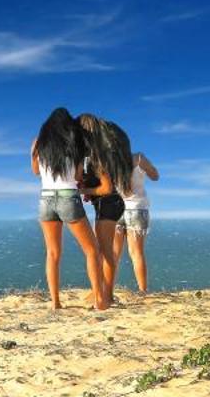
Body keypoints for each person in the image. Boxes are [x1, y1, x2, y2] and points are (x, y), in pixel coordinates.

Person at [31, 108, 108, 310]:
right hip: (67, 198)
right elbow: (77, 176)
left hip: (45, 198)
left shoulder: (39, 145)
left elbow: (36, 171)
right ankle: (100, 300)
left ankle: (55, 302)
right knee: (92, 250)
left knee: (53, 253)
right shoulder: (74, 144)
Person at [79, 115, 131, 306]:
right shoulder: (98, 154)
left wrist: (84, 190)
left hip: (109, 203)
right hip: (109, 204)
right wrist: (90, 192)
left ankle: (107, 295)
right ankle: (103, 293)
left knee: (105, 252)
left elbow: (106, 188)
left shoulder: (97, 157)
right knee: (103, 251)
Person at [114, 150, 158, 293]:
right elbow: (155, 176)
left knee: (114, 253)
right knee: (136, 253)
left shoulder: (109, 162)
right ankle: (142, 291)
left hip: (115, 209)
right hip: (137, 209)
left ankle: (108, 288)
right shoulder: (139, 158)